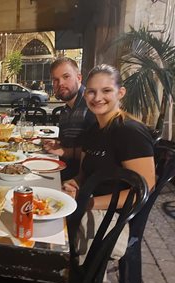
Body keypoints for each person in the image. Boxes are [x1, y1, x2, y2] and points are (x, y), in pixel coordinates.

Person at [62, 64, 155, 261]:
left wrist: (89, 203)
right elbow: (83, 174)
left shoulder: (130, 132)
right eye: (91, 92)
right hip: (89, 203)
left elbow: (144, 188)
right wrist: (74, 184)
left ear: (120, 93)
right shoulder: (93, 131)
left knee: (54, 235)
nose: (97, 98)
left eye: (106, 91)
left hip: (114, 217)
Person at [43, 57, 96, 180]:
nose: (60, 83)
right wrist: (57, 144)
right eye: (56, 80)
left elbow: (96, 152)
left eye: (66, 77)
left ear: (79, 78)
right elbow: (69, 143)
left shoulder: (92, 105)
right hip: (66, 170)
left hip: (82, 179)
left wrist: (65, 151)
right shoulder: (65, 110)